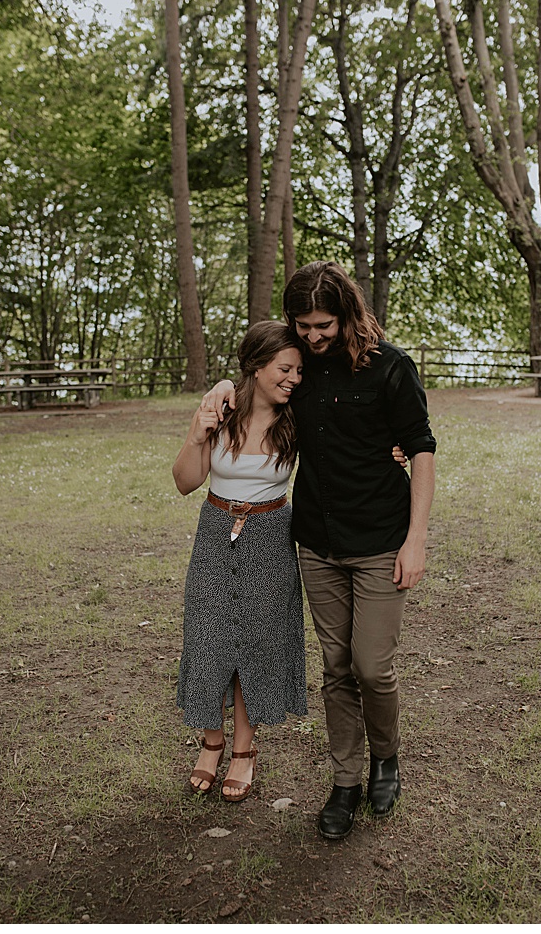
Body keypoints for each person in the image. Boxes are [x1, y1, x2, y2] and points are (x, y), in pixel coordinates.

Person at [203, 260, 436, 840]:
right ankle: (346, 782)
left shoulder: (391, 368)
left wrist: (416, 539)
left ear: (348, 313)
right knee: (334, 667)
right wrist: (222, 386)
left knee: (371, 666)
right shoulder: (300, 371)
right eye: (302, 325)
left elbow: (422, 450)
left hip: (382, 539)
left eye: (323, 324)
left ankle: (386, 758)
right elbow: (257, 377)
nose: (312, 336)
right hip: (316, 542)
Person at [173, 321, 308, 801]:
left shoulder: (298, 417)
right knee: (208, 635)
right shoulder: (221, 410)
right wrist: (197, 433)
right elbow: (186, 481)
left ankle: (244, 752)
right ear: (256, 365)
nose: (294, 378)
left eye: (298, 370)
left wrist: (392, 454)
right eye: (285, 368)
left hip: (271, 537)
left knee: (255, 641)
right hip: (215, 531)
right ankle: (211, 743)